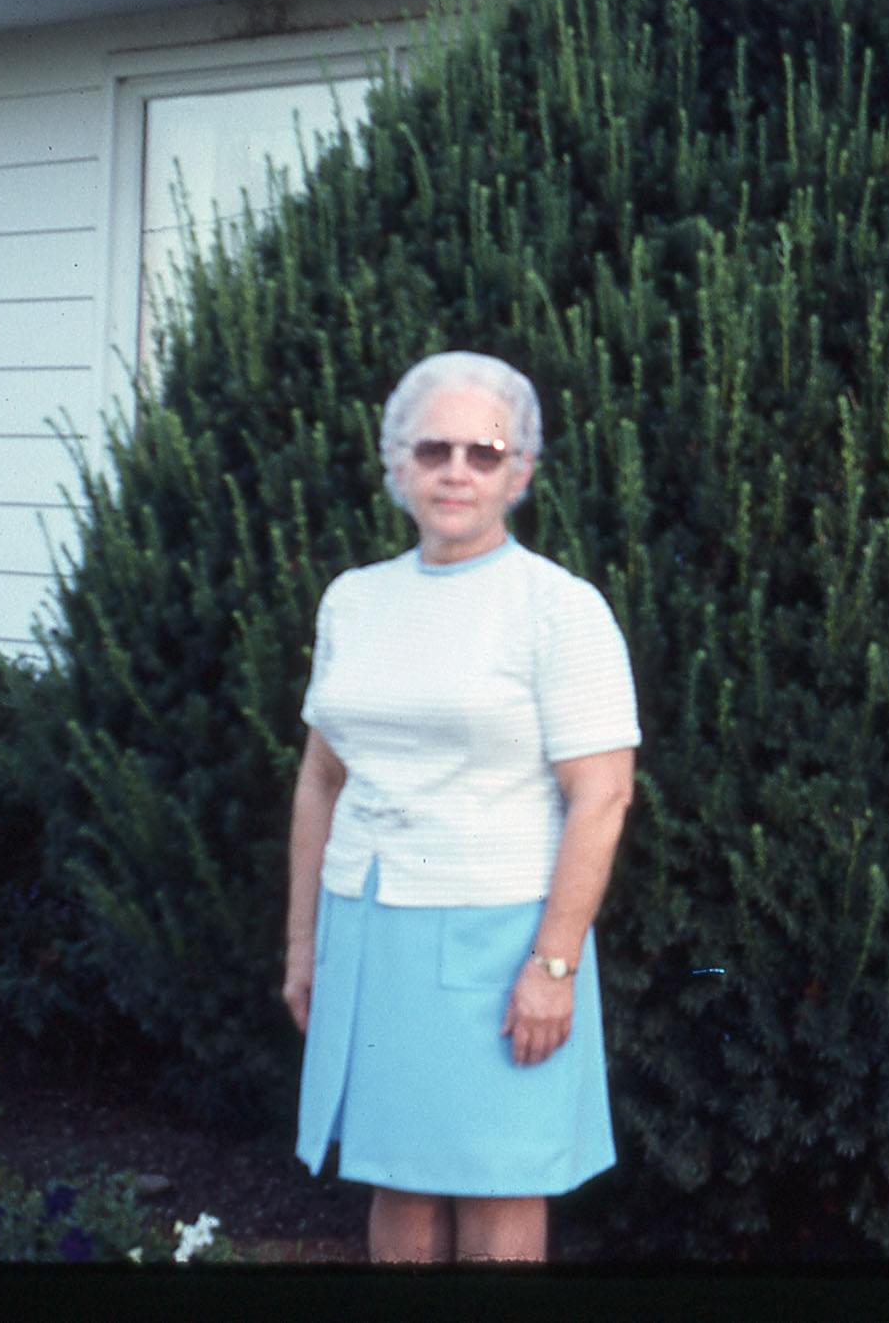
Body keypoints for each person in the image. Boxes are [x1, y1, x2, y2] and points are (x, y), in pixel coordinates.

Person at [280, 350, 641, 1263]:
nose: (456, 471)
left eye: (485, 453)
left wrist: (552, 967)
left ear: (520, 474)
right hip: (370, 927)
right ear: (396, 464)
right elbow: (322, 779)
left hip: (502, 938)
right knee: (397, 1180)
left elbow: (603, 794)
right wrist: (303, 946)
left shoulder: (559, 609)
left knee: (497, 1184)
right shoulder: (354, 601)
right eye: (433, 449)